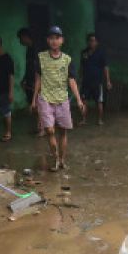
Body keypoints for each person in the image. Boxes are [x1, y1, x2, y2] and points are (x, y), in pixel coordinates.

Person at [31, 26, 85, 172]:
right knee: (49, 130)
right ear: (48, 41)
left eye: (57, 38)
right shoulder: (41, 57)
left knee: (63, 131)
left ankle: (61, 160)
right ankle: (55, 157)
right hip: (45, 98)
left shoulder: (67, 60)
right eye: (51, 38)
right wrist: (34, 99)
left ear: (62, 40)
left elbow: (72, 80)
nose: (54, 41)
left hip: (62, 99)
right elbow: (38, 79)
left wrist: (79, 100)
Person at [79, 32, 111, 126]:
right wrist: (79, 78)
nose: (91, 43)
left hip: (97, 82)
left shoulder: (101, 53)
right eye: (90, 41)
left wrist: (108, 81)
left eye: (93, 41)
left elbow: (105, 67)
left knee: (99, 102)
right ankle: (84, 120)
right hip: (86, 82)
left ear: (97, 42)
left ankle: (100, 120)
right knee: (84, 101)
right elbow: (81, 67)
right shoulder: (84, 53)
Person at [17, 28, 40, 133]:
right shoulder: (29, 50)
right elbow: (28, 67)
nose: (20, 41)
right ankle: (40, 126)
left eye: (21, 38)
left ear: (26, 37)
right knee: (33, 104)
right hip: (30, 81)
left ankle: (42, 127)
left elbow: (37, 68)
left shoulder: (36, 50)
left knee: (37, 104)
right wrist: (24, 79)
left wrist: (37, 82)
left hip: (37, 81)